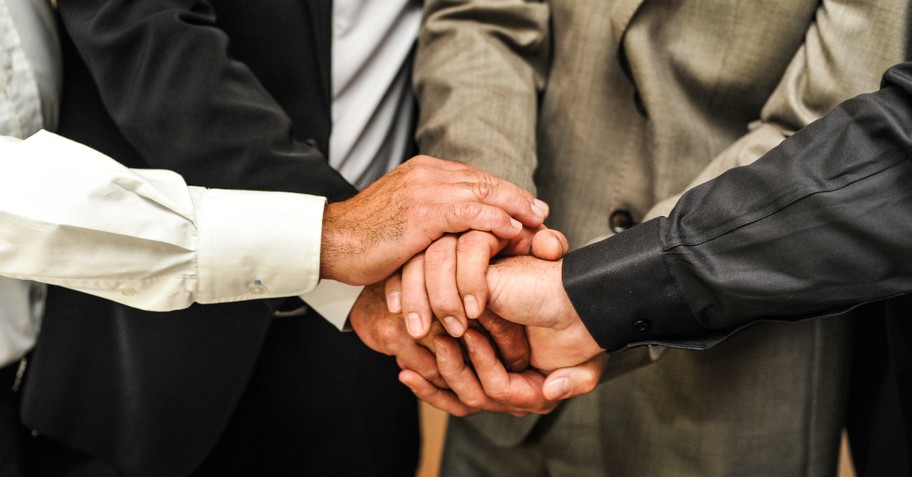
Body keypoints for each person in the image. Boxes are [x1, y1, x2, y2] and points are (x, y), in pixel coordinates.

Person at [11, 1, 542, 476]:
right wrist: (339, 239)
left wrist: (467, 236)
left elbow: (475, 23)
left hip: (375, 345)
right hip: (146, 340)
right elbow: (141, 28)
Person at [405, 0, 908, 475]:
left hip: (728, 384)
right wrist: (481, 223)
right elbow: (481, 18)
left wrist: (602, 291)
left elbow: (836, 126)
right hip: (498, 355)